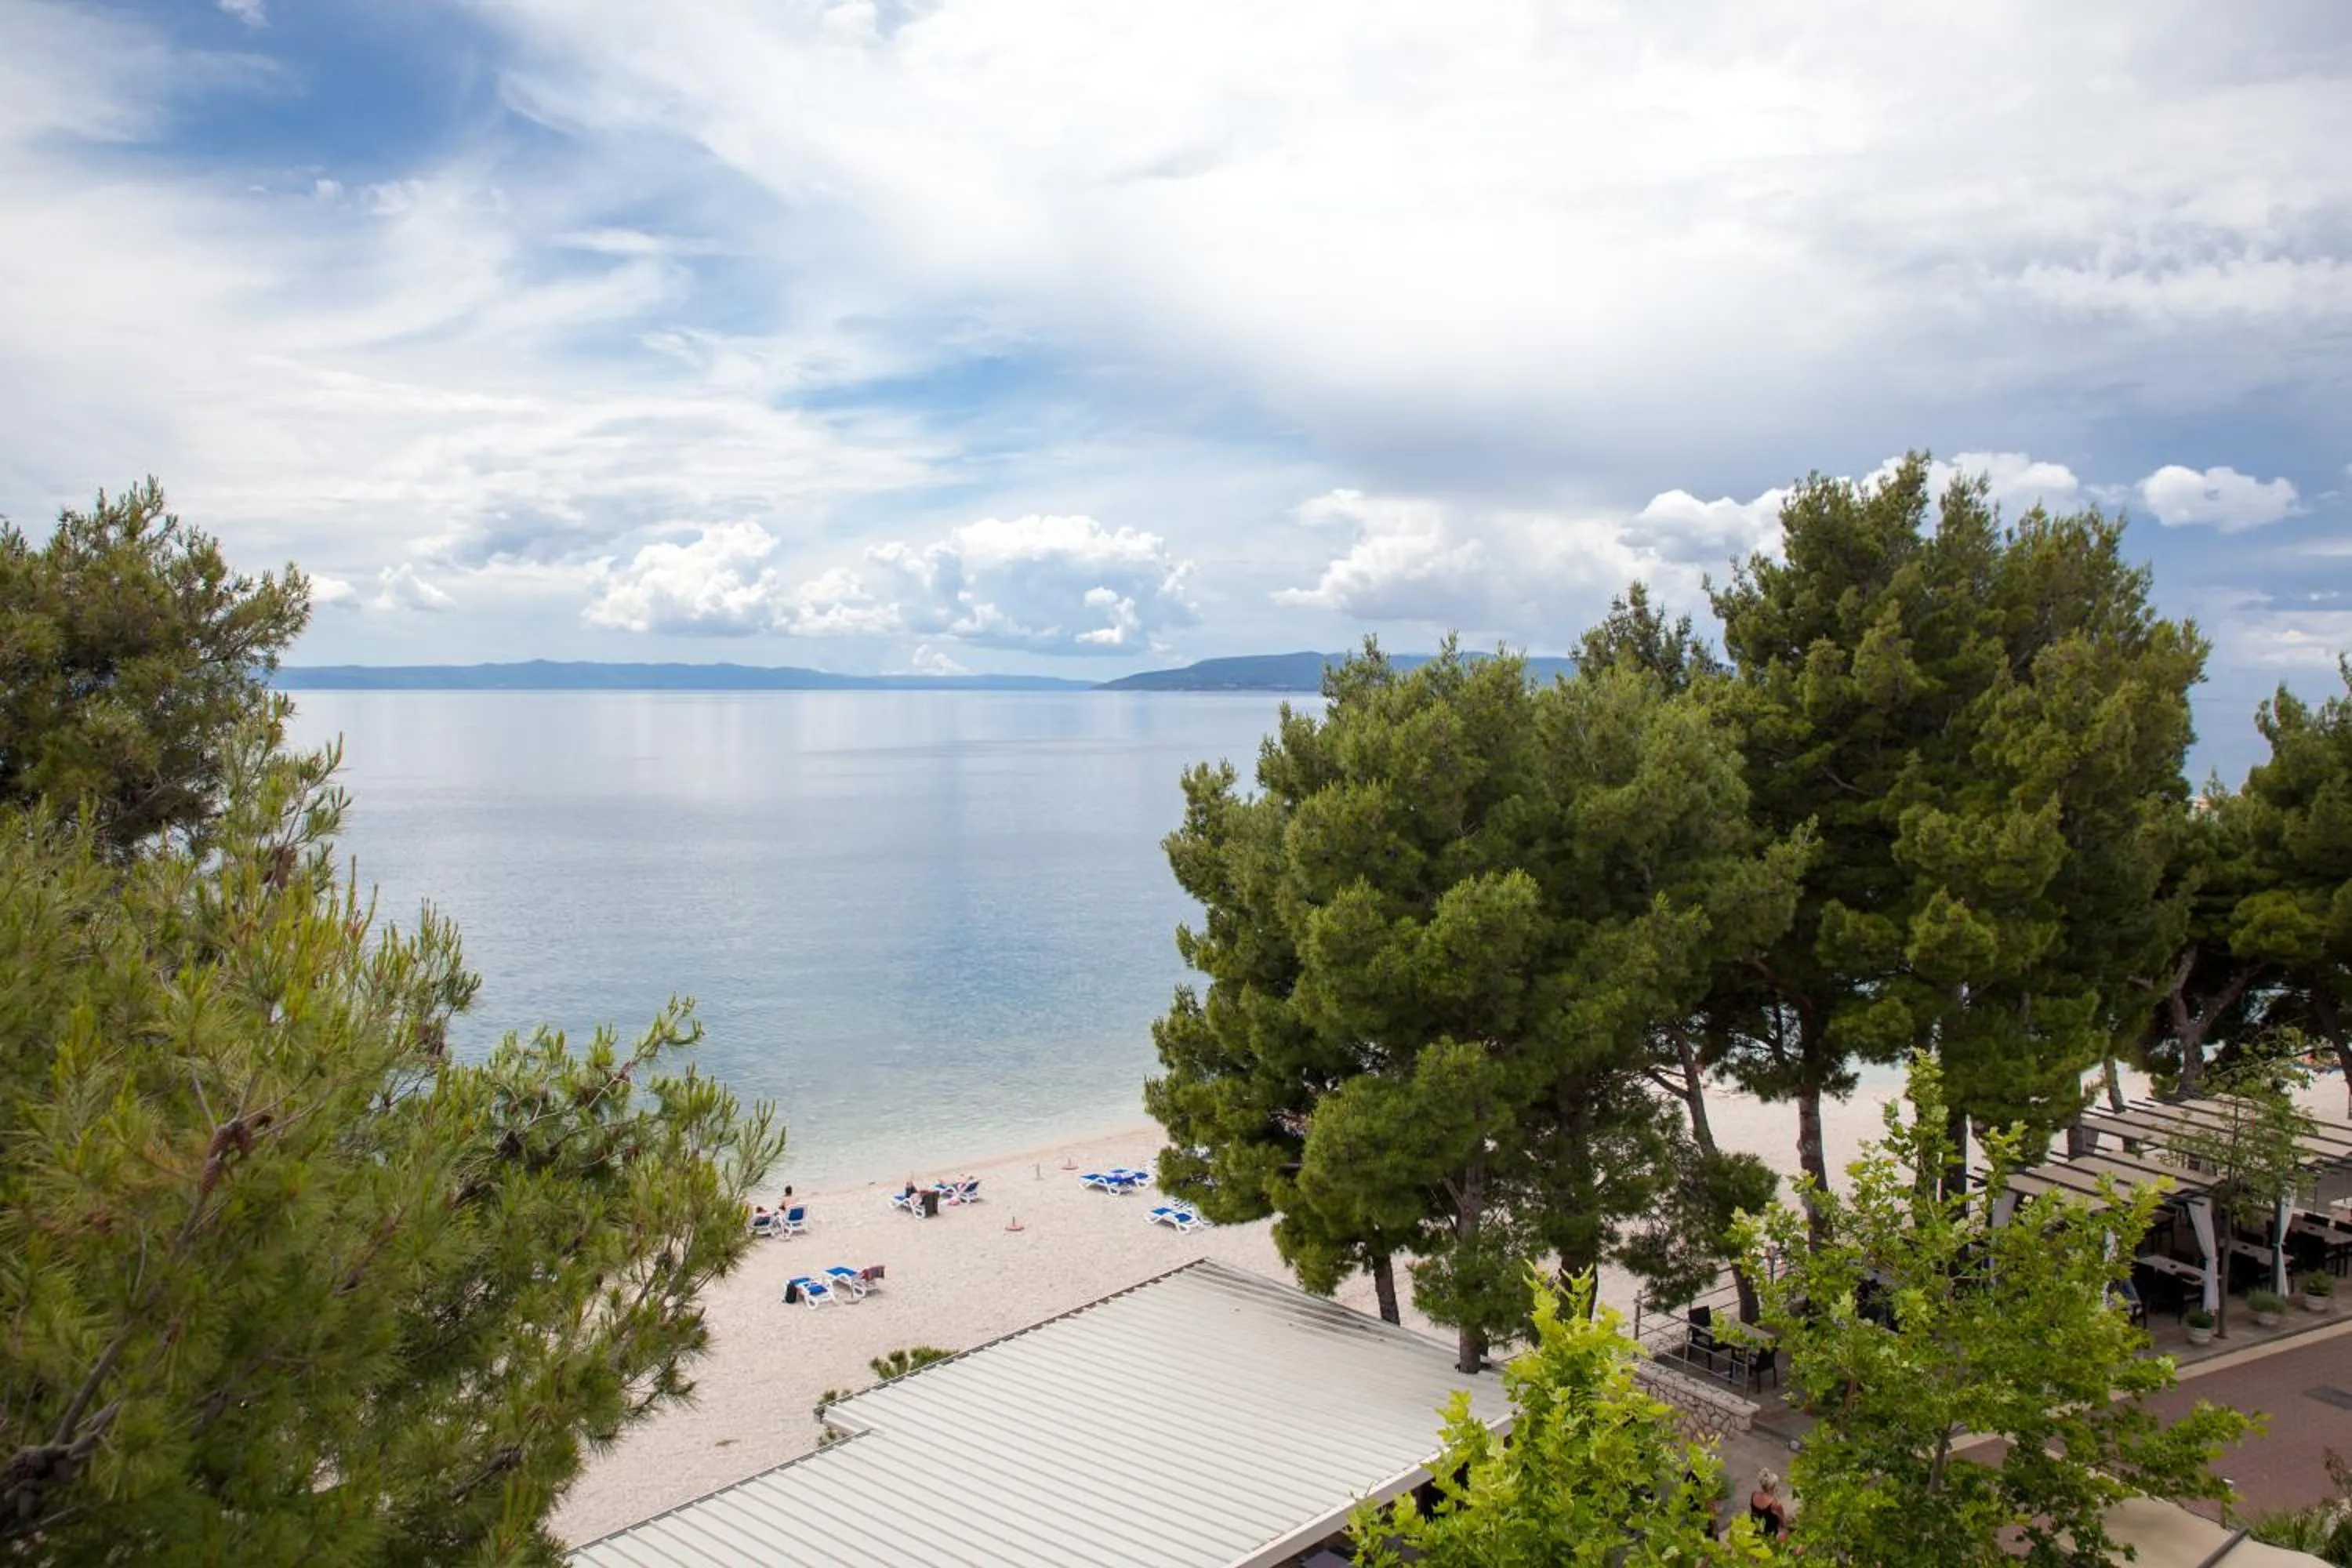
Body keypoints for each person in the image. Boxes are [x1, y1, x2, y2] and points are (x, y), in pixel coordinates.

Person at [1748, 1469, 1789, 1538]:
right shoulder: (1775, 1504)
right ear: (1774, 1487)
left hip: (1757, 1529)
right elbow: (1783, 1523)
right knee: (1786, 1532)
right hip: (1770, 1534)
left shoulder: (1754, 1495)